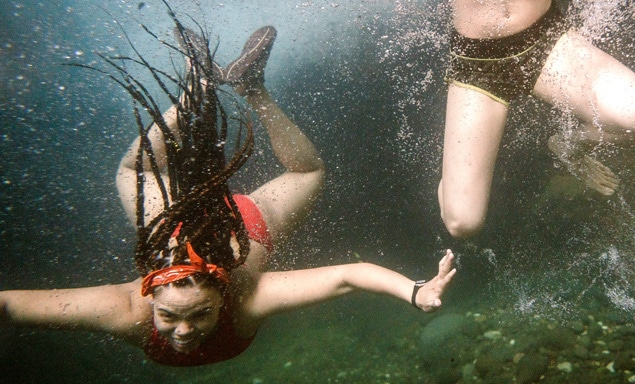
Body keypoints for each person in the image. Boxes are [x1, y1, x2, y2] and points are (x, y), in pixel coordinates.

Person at [0, 21, 456, 367]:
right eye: (172, 317)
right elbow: (10, 307)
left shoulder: (246, 299)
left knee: (137, 169)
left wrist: (413, 293)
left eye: (198, 315)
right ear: (150, 298)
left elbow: (349, 276)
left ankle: (203, 86)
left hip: (228, 223)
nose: (183, 332)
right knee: (308, 171)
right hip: (219, 227)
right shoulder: (125, 310)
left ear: (223, 297)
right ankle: (243, 85)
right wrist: (413, 292)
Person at [438, 0, 635, 239]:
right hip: (476, 62)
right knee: (462, 223)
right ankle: (454, 167)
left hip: (545, 39)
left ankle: (570, 146)